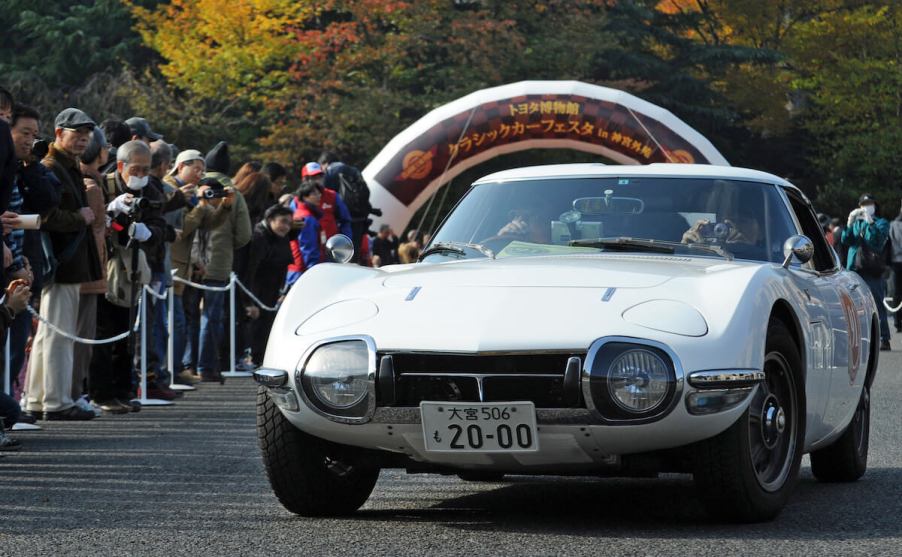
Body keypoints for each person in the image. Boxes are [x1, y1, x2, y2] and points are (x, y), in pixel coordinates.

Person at [27, 108, 101, 421]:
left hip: (64, 262)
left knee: (51, 334)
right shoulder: (52, 166)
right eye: (77, 133)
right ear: (59, 133)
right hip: (61, 262)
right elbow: (45, 216)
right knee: (58, 334)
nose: (83, 139)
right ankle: (55, 402)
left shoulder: (65, 166)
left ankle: (39, 399)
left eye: (86, 134)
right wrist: (79, 218)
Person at [89, 140, 170, 409]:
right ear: (121, 165)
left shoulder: (152, 189)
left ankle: (123, 390)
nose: (141, 175)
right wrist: (111, 212)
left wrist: (148, 233)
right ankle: (101, 392)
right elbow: (96, 222)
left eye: (146, 169)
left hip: (133, 268)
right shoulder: (104, 184)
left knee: (127, 332)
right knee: (104, 330)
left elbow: (162, 227)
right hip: (106, 265)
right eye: (136, 169)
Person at [5, 104, 60, 400]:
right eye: (24, 133)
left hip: (25, 263)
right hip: (11, 263)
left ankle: (11, 407)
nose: (30, 140)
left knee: (16, 347)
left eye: (35, 134)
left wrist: (31, 167)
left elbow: (49, 201)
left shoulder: (27, 169)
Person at [194, 163, 251, 381]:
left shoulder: (193, 187)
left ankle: (185, 365)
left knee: (187, 317)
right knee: (212, 317)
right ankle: (206, 366)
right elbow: (243, 234)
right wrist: (227, 245)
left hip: (188, 263)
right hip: (218, 263)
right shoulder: (233, 194)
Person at [76, 127, 114, 411]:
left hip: (92, 267)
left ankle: (78, 392)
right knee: (81, 336)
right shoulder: (90, 186)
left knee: (85, 335)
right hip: (88, 269)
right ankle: (76, 392)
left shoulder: (93, 182)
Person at [240, 205, 293, 365]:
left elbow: (284, 263)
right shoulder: (259, 237)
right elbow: (250, 270)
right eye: (283, 222)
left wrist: (282, 290)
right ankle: (251, 357)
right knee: (255, 323)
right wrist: (248, 302)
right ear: (270, 220)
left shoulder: (282, 236)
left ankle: (262, 358)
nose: (286, 227)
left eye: (289, 223)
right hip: (255, 287)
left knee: (267, 324)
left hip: (273, 286)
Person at [841, 193, 891, 351]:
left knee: (877, 303)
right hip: (854, 268)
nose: (866, 207)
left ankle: (884, 338)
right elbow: (846, 240)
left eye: (869, 203)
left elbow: (876, 241)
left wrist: (870, 223)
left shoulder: (882, 223)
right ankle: (858, 339)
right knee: (853, 305)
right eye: (864, 204)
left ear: (875, 205)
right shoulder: (856, 222)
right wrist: (849, 224)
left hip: (872, 269)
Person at [286, 181, 322, 285]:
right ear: (304, 197)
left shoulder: (300, 213)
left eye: (319, 193)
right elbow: (308, 248)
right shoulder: (307, 218)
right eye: (314, 194)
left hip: (297, 269)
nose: (319, 196)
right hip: (301, 272)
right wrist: (313, 271)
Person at [889, 200, 902, 333]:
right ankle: (898, 322)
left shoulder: (892, 224)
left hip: (895, 262)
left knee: (897, 293)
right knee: (897, 293)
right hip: (897, 262)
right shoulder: (895, 224)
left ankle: (898, 322)